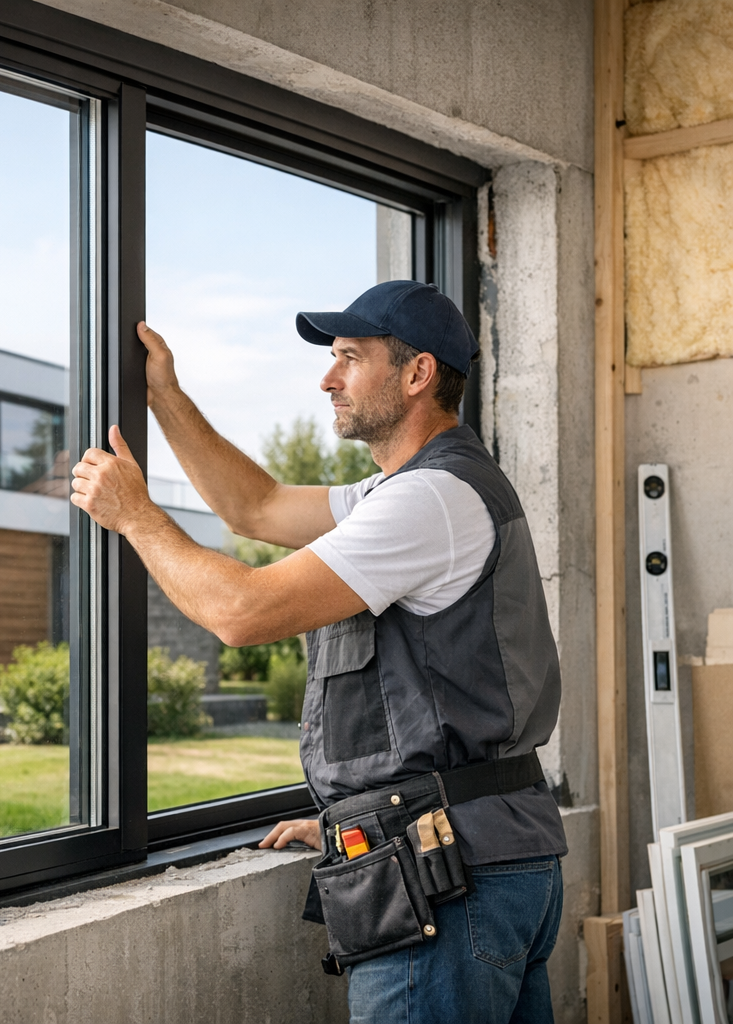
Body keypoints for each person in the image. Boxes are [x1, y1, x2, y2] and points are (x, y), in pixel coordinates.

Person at [70, 280, 566, 1024]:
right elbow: (256, 506)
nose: (327, 377)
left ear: (417, 373)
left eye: (348, 357)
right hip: (481, 848)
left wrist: (136, 516)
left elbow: (241, 611)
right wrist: (164, 396)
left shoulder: (429, 500)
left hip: (449, 876)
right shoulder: (405, 491)